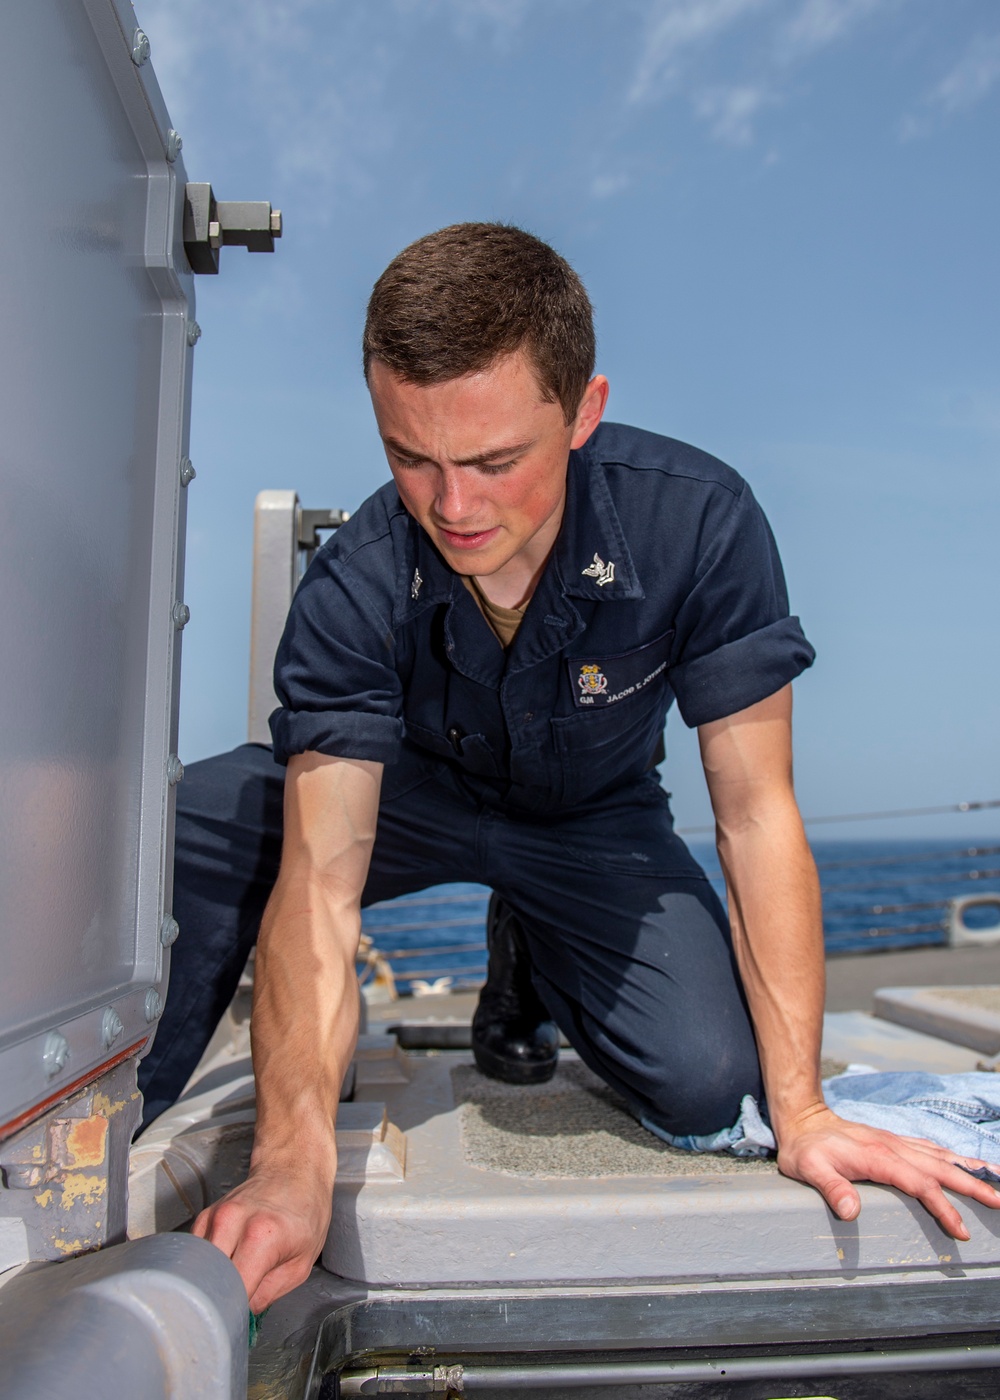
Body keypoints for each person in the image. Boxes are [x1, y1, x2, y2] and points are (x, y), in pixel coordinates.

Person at [139, 223, 1000, 1311]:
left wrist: (805, 1106)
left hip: (593, 819)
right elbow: (320, 879)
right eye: (412, 456)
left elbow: (756, 815)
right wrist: (292, 1164)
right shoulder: (358, 580)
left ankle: (533, 952)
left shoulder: (701, 521)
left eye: (496, 460)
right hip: (412, 797)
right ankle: (115, 1110)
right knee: (193, 816)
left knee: (708, 1083)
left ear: (583, 411)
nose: (454, 508)